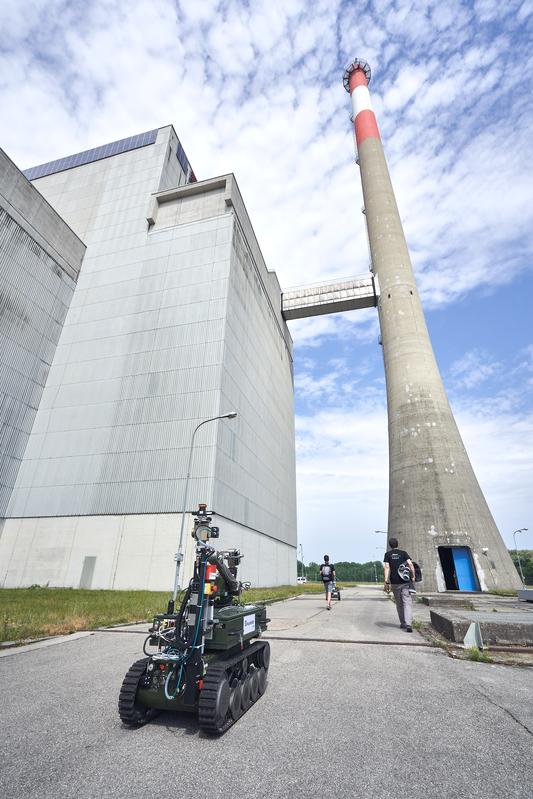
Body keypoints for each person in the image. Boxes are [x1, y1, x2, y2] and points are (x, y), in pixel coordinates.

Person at [383, 537, 416, 632]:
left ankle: (403, 623)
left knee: (399, 603)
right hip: (405, 581)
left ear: (390, 545)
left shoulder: (388, 554)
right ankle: (409, 624)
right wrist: (413, 575)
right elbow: (410, 564)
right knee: (407, 602)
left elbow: (387, 567)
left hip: (395, 582)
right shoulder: (404, 553)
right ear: (397, 544)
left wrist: (386, 580)